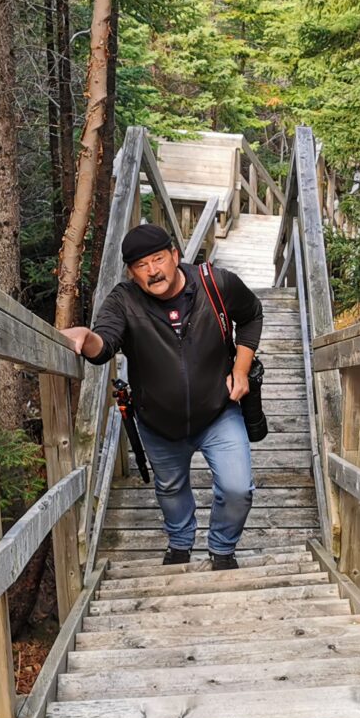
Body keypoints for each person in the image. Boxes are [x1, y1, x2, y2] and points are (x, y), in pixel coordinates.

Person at [61, 223, 262, 569]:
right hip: (158, 421)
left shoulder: (215, 284)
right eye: (141, 265)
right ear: (131, 272)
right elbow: (104, 345)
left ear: (175, 255)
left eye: (158, 259)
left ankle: (222, 548)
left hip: (218, 410)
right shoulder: (123, 301)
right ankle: (180, 544)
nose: (152, 271)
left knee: (237, 489)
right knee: (170, 488)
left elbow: (251, 314)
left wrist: (241, 369)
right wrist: (85, 336)